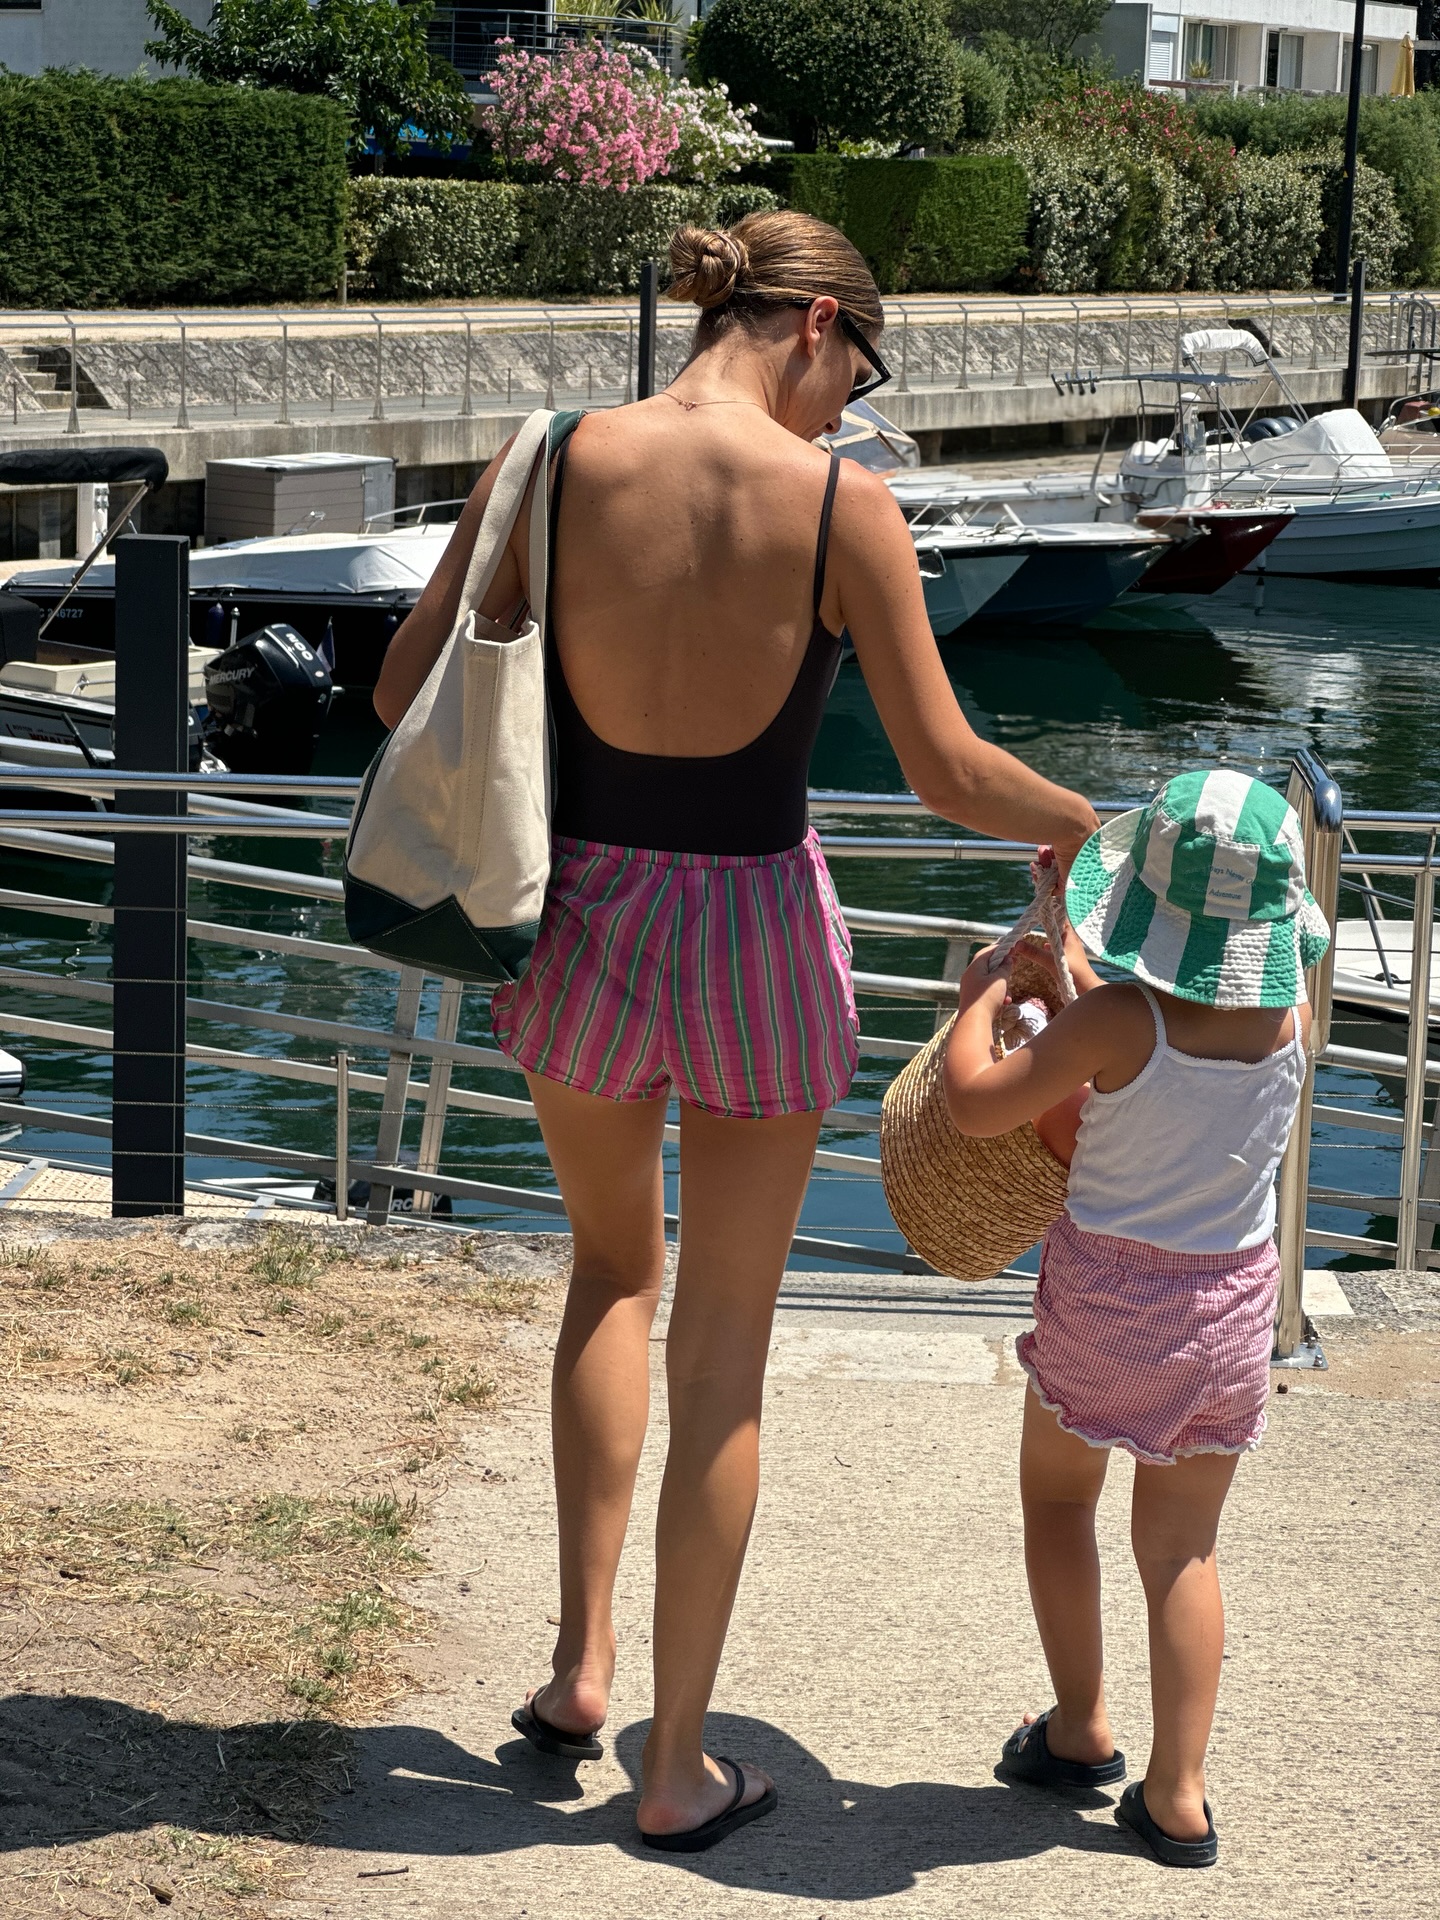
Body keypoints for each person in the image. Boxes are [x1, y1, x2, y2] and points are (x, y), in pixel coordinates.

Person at [374, 210, 1098, 1852]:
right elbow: (947, 773)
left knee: (609, 1273)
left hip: (576, 921)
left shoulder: (548, 460)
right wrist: (1087, 826)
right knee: (724, 1347)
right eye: (861, 372)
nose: (851, 406)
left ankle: (578, 1673)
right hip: (760, 939)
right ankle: (675, 1765)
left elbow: (403, 689)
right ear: (819, 325)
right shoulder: (842, 506)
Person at [943, 770, 1330, 1869]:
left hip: (1111, 1303)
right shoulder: (1289, 1015)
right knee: (1183, 1550)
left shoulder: (1114, 1021)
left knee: (1060, 1499)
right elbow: (1159, 1042)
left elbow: (975, 1104)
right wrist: (1073, 944)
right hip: (1232, 1307)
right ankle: (1180, 1794)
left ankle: (1079, 1727)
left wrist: (978, 1001)